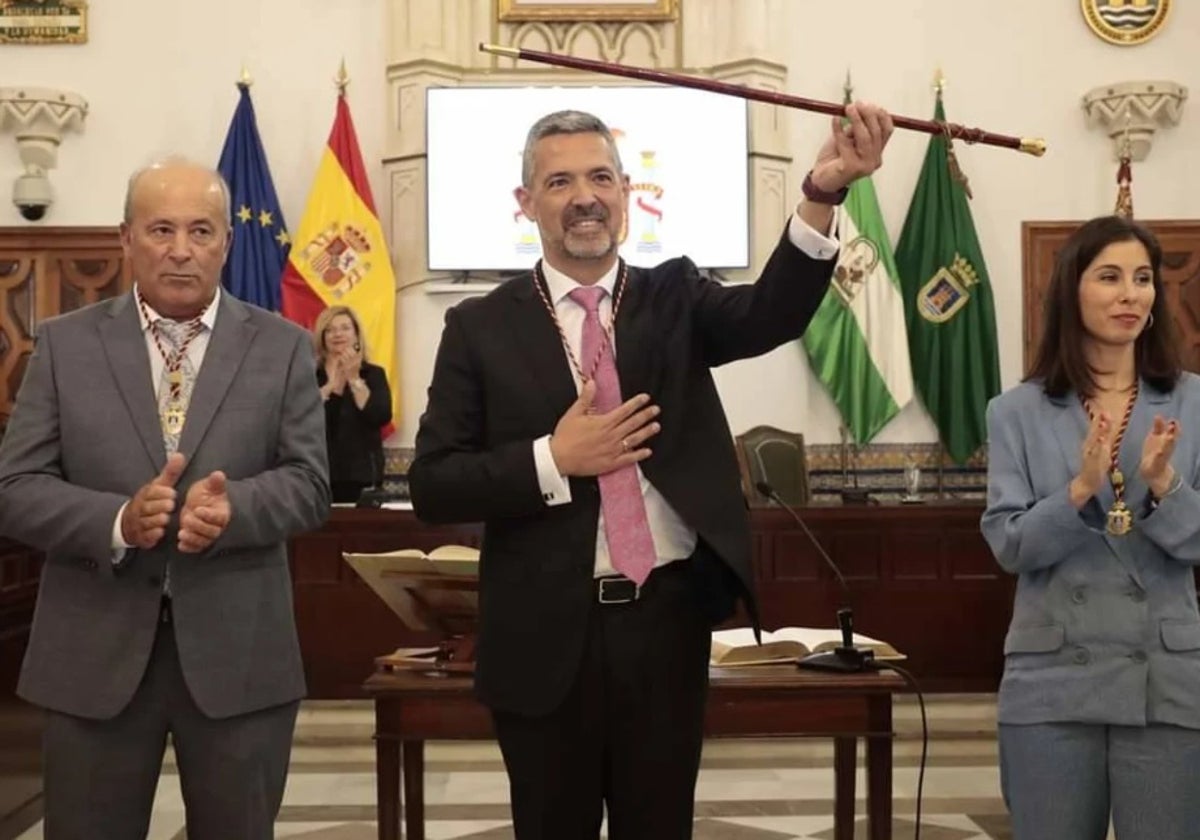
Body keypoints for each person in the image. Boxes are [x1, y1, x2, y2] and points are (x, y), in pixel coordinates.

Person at [408, 105, 892, 839]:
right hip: (540, 636)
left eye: (601, 176)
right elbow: (434, 482)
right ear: (525, 203)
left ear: (627, 193)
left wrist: (823, 191)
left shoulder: (672, 296)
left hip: (664, 623)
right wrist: (553, 460)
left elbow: (771, 314)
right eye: (560, 180)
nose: (585, 196)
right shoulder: (480, 326)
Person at [0, 158, 330, 840]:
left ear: (227, 244)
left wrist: (236, 508)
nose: (181, 249)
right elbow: (15, 489)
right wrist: (116, 520)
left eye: (200, 230)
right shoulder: (64, 346)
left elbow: (310, 485)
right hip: (91, 658)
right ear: (126, 239)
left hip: (241, 659)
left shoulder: (284, 347)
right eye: (161, 229)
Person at [981, 215, 1200, 839]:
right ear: (1071, 291)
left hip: (1167, 680)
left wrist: (1166, 486)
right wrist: (1078, 490)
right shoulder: (1016, 411)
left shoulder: (1194, 402)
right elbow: (1010, 545)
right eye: (1109, 277)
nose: (1130, 294)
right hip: (1052, 683)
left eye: (1142, 278)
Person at [312, 305, 392, 503]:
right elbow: (313, 423)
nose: (338, 334)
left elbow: (379, 416)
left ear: (357, 335)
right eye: (330, 330)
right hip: (318, 475)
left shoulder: (374, 374)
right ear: (322, 337)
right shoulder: (310, 377)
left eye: (345, 328)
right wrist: (333, 386)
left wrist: (354, 378)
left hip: (363, 476)